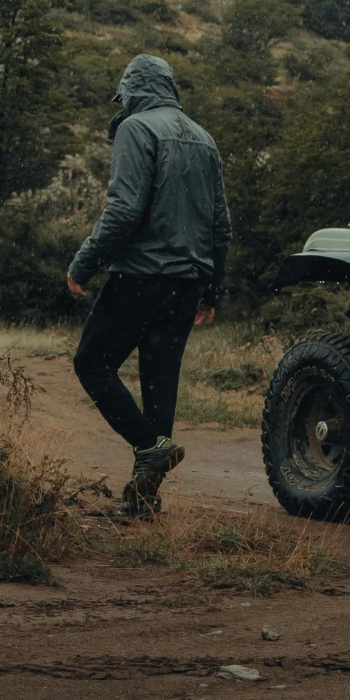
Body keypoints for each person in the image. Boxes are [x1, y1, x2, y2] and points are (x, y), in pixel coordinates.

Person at [67, 54, 231, 516]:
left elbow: (123, 211)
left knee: (92, 363)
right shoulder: (204, 139)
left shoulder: (136, 129)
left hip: (140, 276)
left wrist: (83, 265)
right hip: (186, 285)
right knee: (160, 382)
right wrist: (212, 289)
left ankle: (146, 445)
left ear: (131, 91)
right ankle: (143, 502)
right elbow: (221, 225)